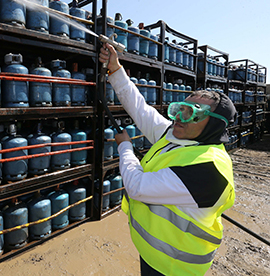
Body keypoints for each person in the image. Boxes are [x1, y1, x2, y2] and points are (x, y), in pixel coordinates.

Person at [99, 43, 236, 276]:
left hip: (177, 265)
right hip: (154, 252)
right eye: (181, 109)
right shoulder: (175, 135)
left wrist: (125, 147)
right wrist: (115, 69)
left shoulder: (210, 169)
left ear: (213, 123)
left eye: (193, 113)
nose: (181, 118)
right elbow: (140, 108)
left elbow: (137, 187)